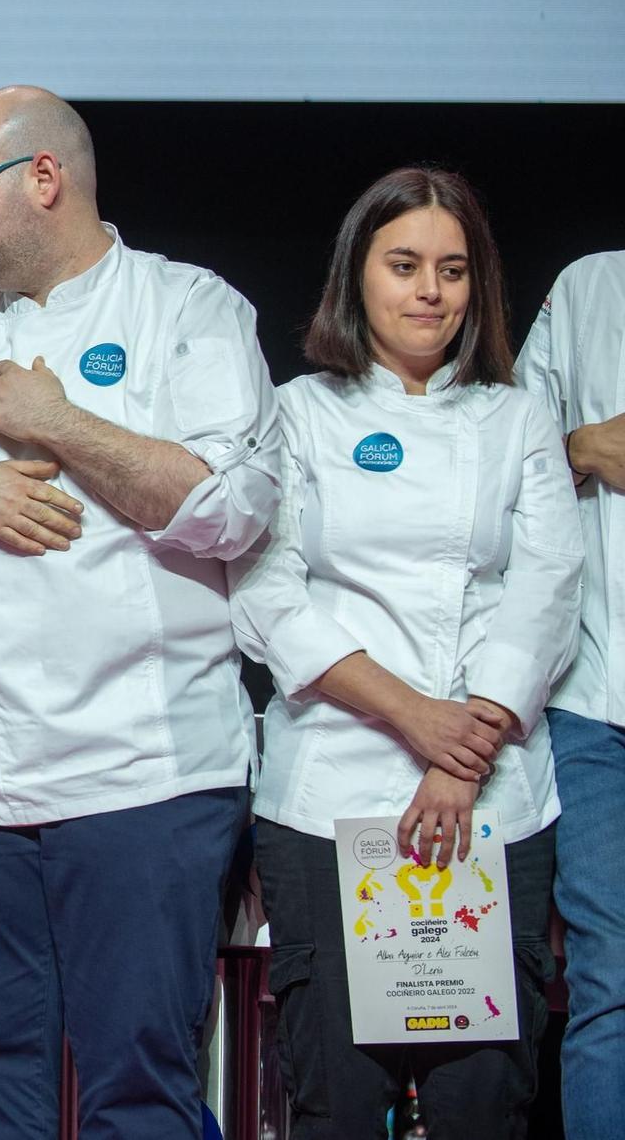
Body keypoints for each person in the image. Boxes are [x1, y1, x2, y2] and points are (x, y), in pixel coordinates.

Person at [0, 86, 281, 1139]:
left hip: (139, 776)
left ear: (44, 179)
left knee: (140, 1085)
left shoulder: (187, 309)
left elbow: (232, 507)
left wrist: (61, 424)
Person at [229, 168, 582, 1138]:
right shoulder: (296, 415)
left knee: (483, 1102)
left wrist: (459, 756)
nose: (429, 290)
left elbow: (548, 588)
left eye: (452, 269)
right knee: (332, 1099)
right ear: (358, 276)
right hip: (327, 794)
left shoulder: (514, 421)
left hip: (493, 799)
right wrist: (415, 719)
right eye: (404, 265)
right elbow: (265, 593)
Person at [516, 247, 625, 1138]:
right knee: (611, 982)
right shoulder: (592, 286)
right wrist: (582, 445)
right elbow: (502, 464)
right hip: (598, 703)